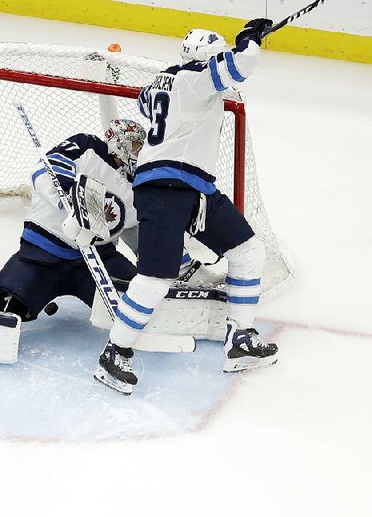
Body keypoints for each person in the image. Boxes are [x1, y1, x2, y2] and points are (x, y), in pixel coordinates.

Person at [95, 20, 280, 395]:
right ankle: (114, 352)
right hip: (167, 186)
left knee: (248, 251)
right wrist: (248, 42)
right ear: (206, 58)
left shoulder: (162, 82)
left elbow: (146, 101)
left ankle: (239, 339)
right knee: (155, 278)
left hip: (193, 188)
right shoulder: (196, 78)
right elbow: (240, 66)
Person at [0, 119, 148, 321]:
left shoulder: (136, 185)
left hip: (97, 258)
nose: (138, 153)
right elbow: (46, 169)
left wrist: (155, 260)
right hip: (44, 253)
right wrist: (69, 196)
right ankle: (7, 301)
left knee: (139, 301)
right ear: (118, 141)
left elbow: (134, 226)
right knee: (7, 305)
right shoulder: (87, 146)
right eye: (135, 146)